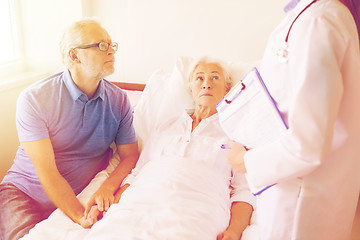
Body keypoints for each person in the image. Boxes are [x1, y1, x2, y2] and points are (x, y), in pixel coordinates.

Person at [225, 0, 360, 239]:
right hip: (296, 196)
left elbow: (308, 145)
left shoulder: (318, 21)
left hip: (300, 208)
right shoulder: (312, 17)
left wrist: (245, 161)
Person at [82, 57, 255, 240]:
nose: (206, 85)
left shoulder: (234, 133)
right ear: (191, 89)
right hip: (143, 200)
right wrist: (111, 210)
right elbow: (137, 174)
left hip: (197, 209)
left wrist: (234, 231)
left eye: (214, 78)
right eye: (199, 78)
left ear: (227, 89)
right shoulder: (166, 126)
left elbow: (243, 191)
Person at [0, 18, 139, 240]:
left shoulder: (119, 100)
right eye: (101, 45)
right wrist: (78, 214)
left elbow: (130, 155)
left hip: (79, 194)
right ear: (74, 56)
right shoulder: (35, 99)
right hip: (24, 194)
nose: (111, 51)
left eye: (111, 45)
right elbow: (46, 170)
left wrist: (106, 188)